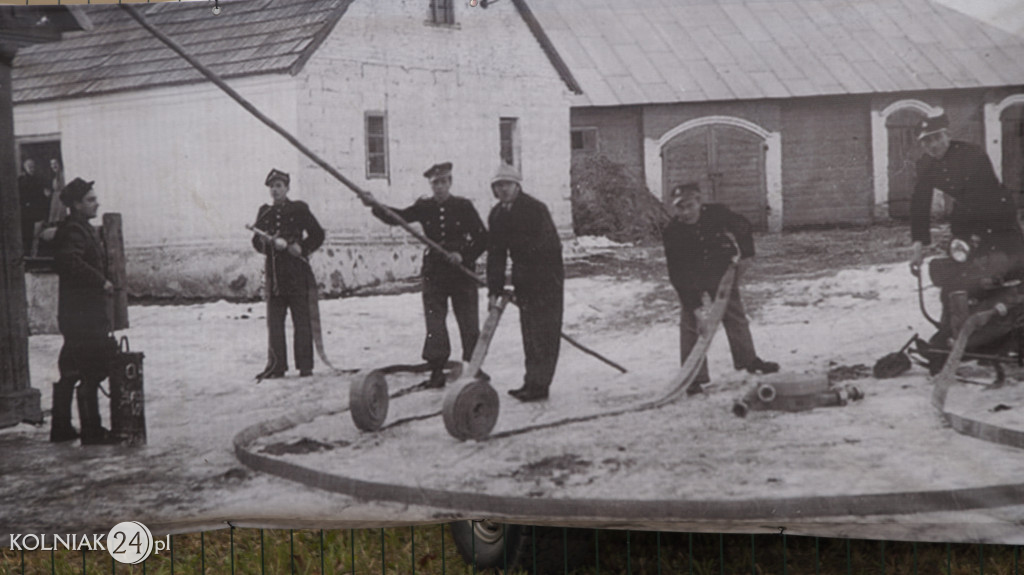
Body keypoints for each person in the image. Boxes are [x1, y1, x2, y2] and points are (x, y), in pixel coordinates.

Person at [363, 162, 488, 388]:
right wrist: (375, 205)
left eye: (443, 182)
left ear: (450, 182)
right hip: (435, 272)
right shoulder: (424, 206)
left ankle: (475, 366)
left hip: (461, 272)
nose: (439, 187)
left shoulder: (463, 206)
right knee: (435, 323)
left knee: (468, 321)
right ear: (430, 185)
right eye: (435, 183)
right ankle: (437, 370)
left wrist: (463, 255)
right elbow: (398, 217)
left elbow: (482, 238)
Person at [661, 182, 778, 395]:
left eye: (689, 205)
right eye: (680, 207)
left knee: (734, 315)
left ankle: (748, 361)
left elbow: (742, 225)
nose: (685, 212)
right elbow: (677, 273)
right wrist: (695, 308)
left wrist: (747, 255)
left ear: (699, 202)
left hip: (720, 272)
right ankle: (694, 377)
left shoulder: (716, 213)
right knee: (690, 323)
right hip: (692, 278)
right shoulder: (672, 231)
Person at [486, 163, 563, 402]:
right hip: (524, 280)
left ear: (517, 185)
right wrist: (494, 289)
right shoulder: (497, 215)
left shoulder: (535, 209)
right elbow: (496, 254)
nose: (504, 190)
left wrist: (528, 271)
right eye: (499, 186)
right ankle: (531, 381)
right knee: (530, 333)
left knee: (545, 334)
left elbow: (549, 246)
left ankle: (540, 386)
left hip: (546, 278)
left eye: (507, 184)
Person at [51, 178, 120, 445]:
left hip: (76, 315)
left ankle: (61, 428)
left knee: (70, 370)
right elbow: (69, 261)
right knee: (91, 370)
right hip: (85, 316)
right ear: (77, 205)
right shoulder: (74, 231)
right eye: (90, 200)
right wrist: (100, 281)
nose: (97, 203)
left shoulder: (78, 228)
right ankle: (92, 431)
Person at [909, 111, 1024, 271]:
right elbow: (919, 203)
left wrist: (975, 234)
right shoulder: (925, 165)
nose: (933, 145)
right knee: (964, 262)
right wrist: (918, 245)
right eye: (927, 141)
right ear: (921, 145)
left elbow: (980, 194)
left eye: (937, 138)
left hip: (998, 210)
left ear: (947, 136)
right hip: (964, 211)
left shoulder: (971, 154)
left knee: (1011, 260)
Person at [251, 169, 325, 379]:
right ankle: (277, 366)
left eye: (279, 186)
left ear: (287, 188)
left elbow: (318, 234)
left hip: (296, 274)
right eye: (272, 187)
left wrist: (302, 247)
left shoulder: (299, 209)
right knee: (275, 322)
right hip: (275, 276)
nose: (275, 190)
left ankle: (305, 366)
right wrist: (263, 242)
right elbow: (256, 242)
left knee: (301, 320)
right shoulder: (264, 212)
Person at [18, 157, 50, 257]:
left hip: (37, 213)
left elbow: (44, 196)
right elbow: (18, 196)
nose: (32, 168)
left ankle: (34, 257)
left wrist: (45, 195)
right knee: (26, 236)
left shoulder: (39, 179)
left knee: (36, 237)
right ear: (24, 167)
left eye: (33, 166)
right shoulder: (20, 180)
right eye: (29, 166)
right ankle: (25, 258)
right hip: (25, 214)